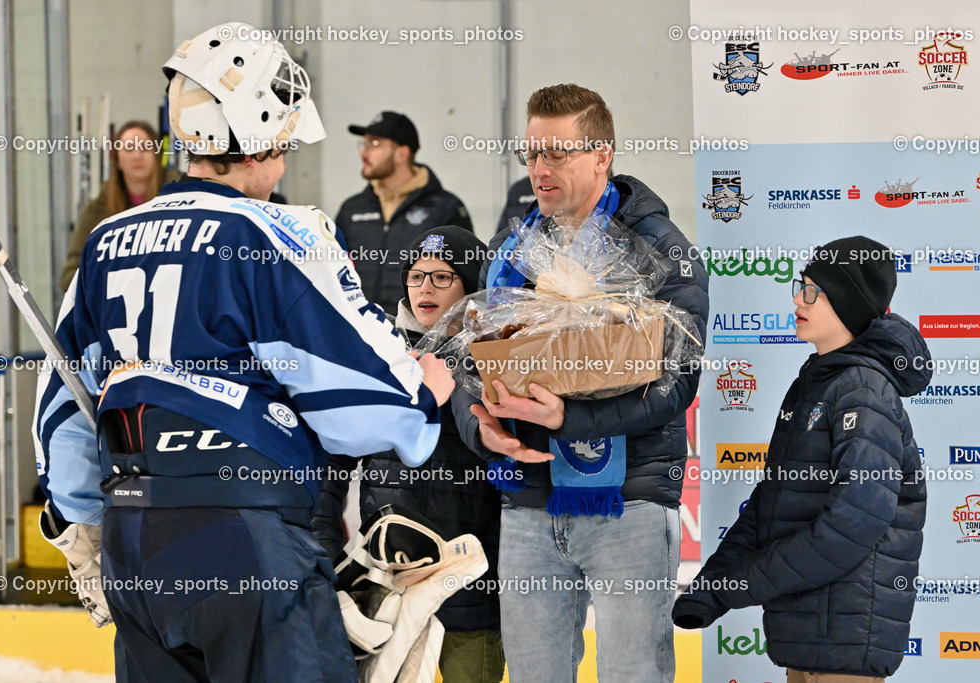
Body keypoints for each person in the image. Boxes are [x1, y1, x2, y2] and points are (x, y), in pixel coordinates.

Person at [33, 22, 453, 682]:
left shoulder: (105, 242)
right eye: (282, 143)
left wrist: (86, 519)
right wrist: (423, 394)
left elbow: (60, 416)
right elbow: (367, 410)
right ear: (257, 130)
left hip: (133, 549)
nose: (282, 163)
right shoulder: (275, 234)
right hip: (244, 541)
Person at [453, 83, 709, 683]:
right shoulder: (513, 249)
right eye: (531, 154)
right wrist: (480, 425)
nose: (539, 169)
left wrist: (570, 420)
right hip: (526, 500)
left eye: (557, 154)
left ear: (602, 155)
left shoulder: (660, 250)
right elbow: (470, 360)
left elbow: (677, 384)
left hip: (630, 504)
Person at [673, 236, 930, 683]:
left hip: (845, 647)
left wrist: (741, 584)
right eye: (800, 286)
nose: (798, 299)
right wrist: (713, 587)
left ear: (848, 304)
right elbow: (770, 504)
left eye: (813, 290)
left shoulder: (864, 393)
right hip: (807, 642)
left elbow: (849, 529)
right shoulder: (816, 383)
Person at [313, 225, 505, 683]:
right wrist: (324, 542)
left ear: (470, 283)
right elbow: (332, 461)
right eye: (416, 276)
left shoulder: (496, 355)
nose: (425, 288)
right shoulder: (379, 356)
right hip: (386, 586)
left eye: (442, 277)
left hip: (470, 591)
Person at [335, 111, 473, 313]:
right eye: (364, 144)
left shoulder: (445, 208)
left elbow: (466, 277)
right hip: (359, 327)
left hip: (419, 329)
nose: (364, 153)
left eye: (375, 144)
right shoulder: (351, 209)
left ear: (402, 153)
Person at [60, 120, 181, 291]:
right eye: (129, 148)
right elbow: (70, 276)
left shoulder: (182, 203)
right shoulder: (97, 211)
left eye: (145, 147)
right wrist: (113, 283)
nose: (137, 155)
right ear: (116, 159)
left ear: (157, 155)